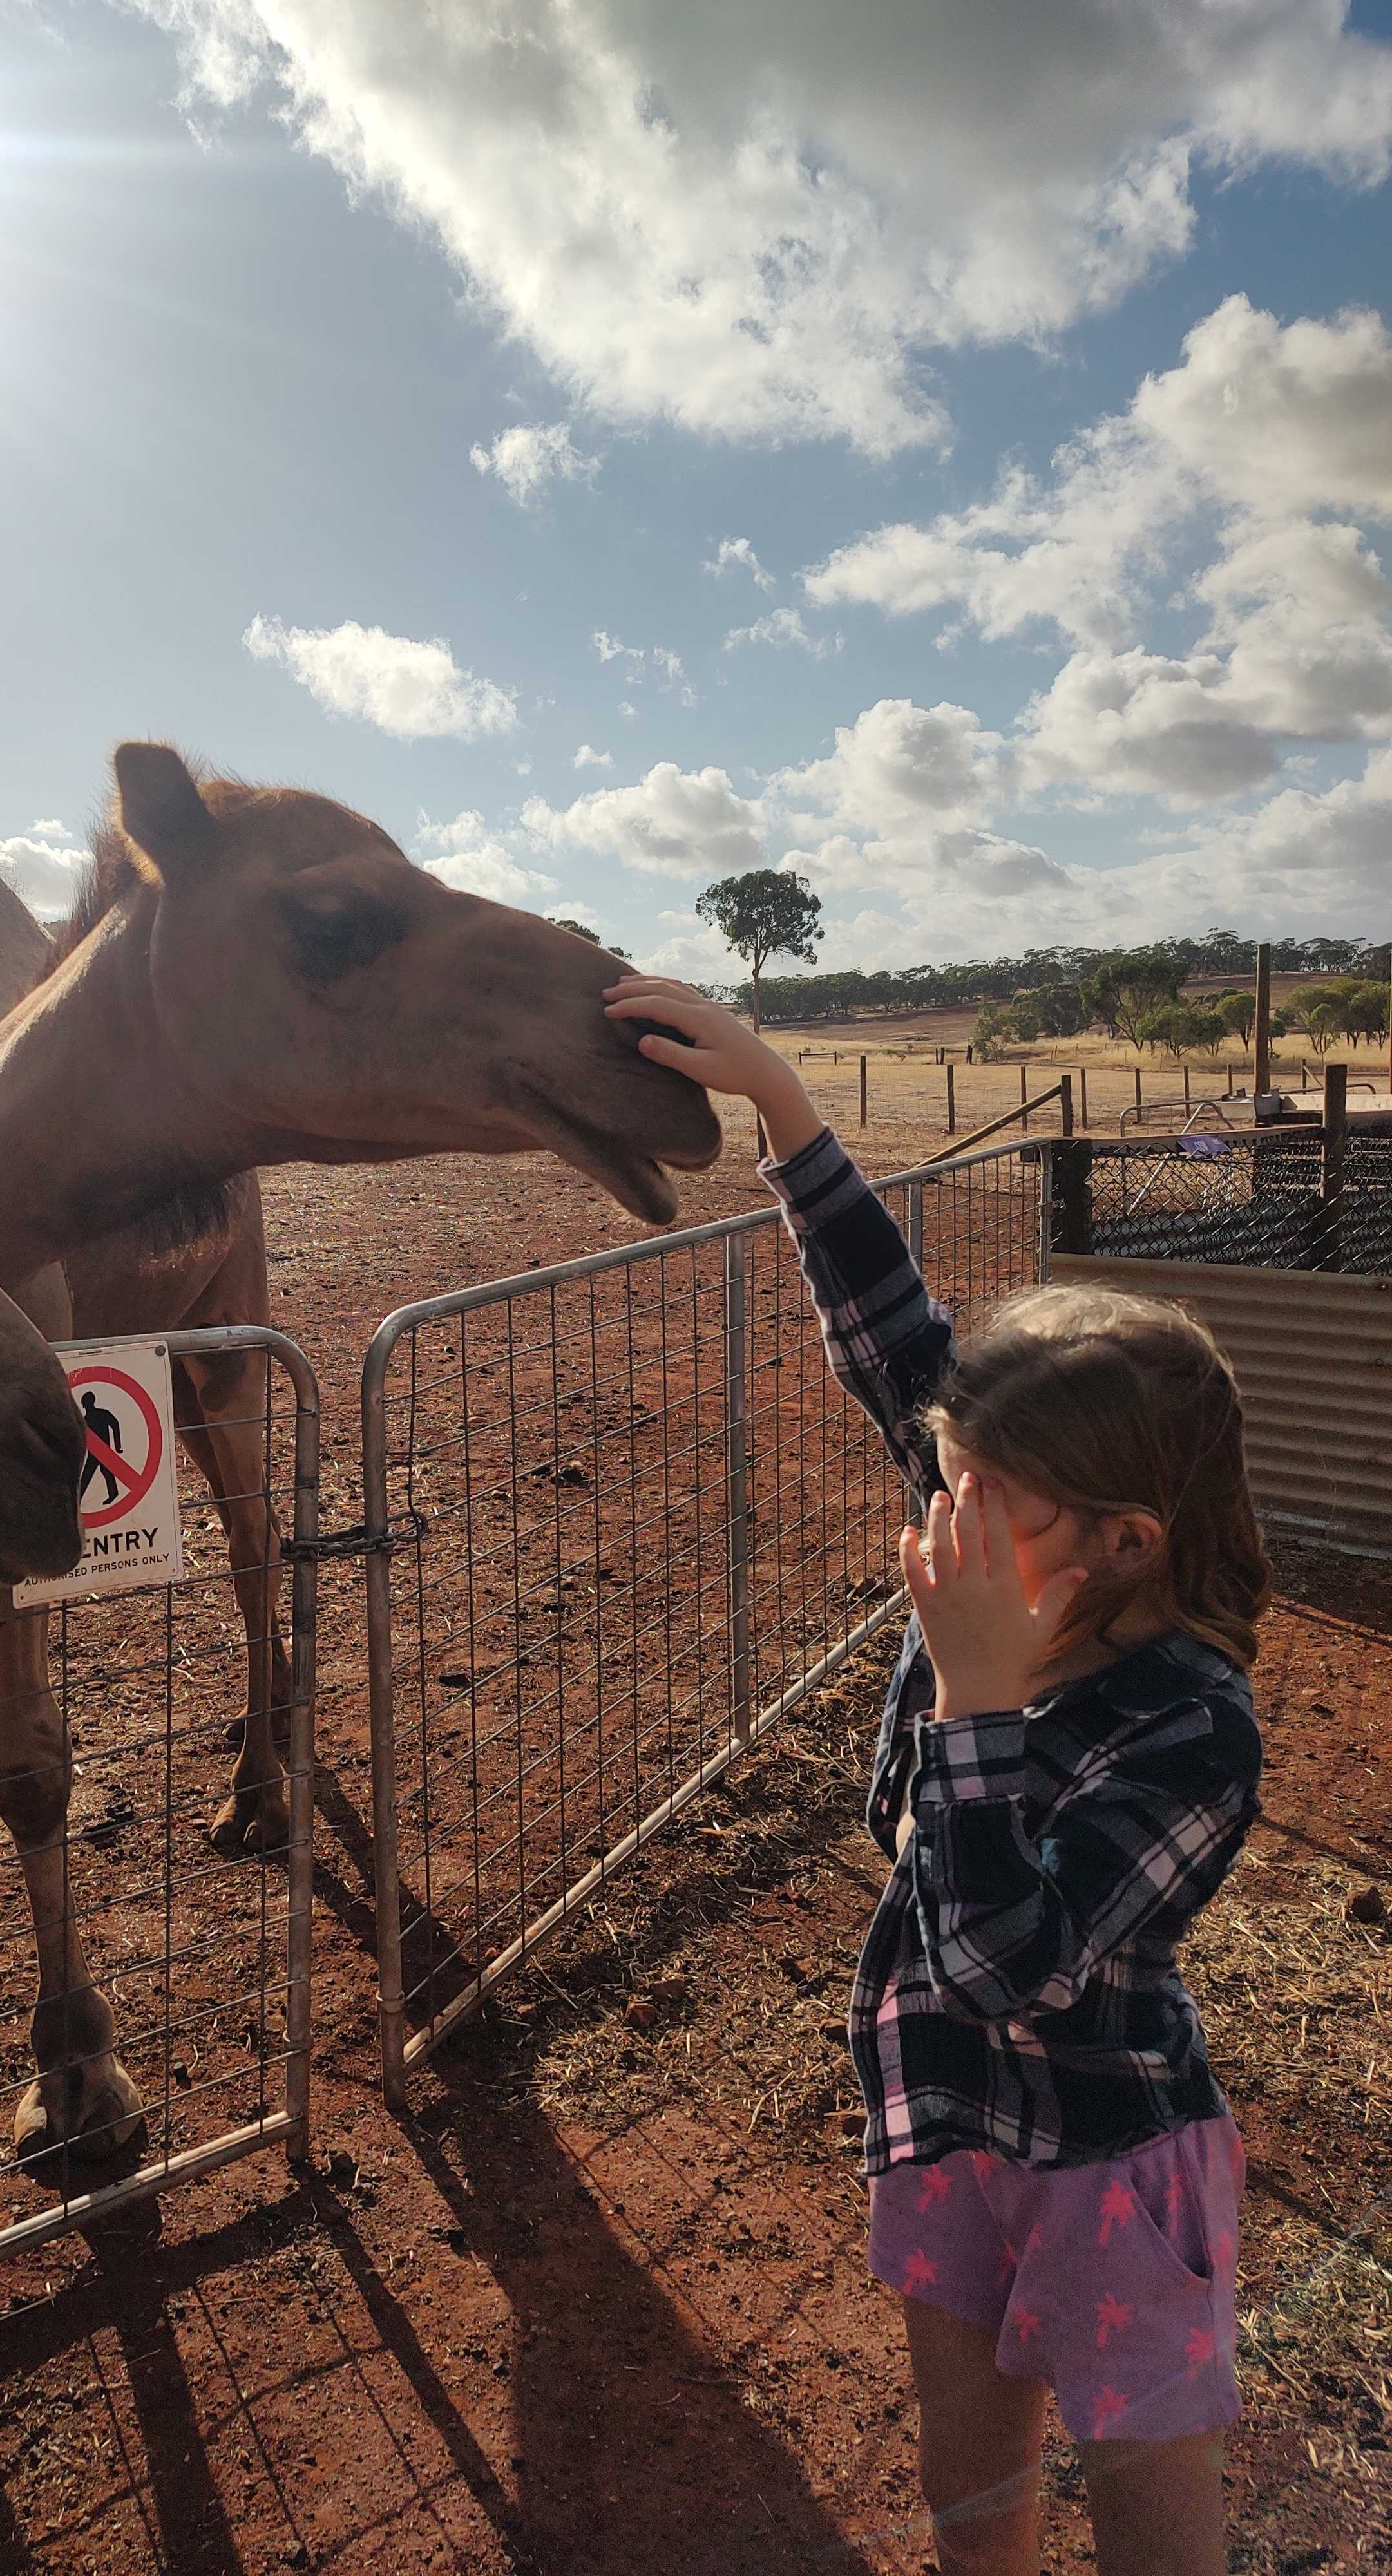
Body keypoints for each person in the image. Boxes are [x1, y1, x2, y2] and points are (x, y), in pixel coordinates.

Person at [604, 977, 1268, 2576]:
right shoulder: (1021, 1548)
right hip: (950, 2118)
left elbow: (1008, 1960)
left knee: (1149, 2527)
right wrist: (784, 1107)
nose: (937, 1521)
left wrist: (971, 1706)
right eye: (946, 1477)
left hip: (1111, 2157)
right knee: (976, 2498)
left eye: (979, 1496)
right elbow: (899, 1337)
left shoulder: (1190, 1725)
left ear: (1125, 1543)